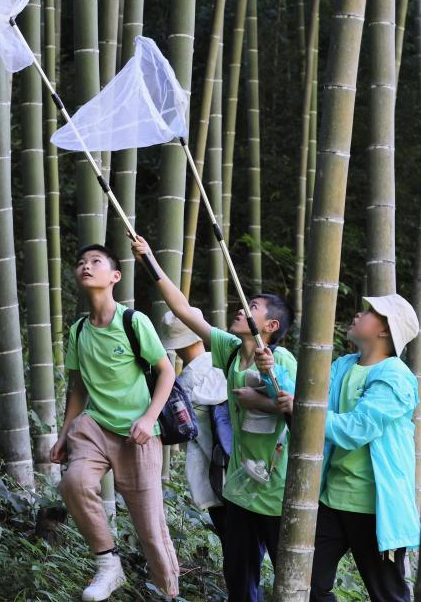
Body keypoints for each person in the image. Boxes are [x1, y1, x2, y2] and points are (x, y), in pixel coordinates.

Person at [132, 235, 296, 602]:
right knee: (239, 578)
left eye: (253, 307)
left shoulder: (282, 359)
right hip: (240, 487)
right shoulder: (230, 349)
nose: (241, 309)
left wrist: (264, 391)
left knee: (289, 581)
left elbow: (299, 409)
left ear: (270, 325)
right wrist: (149, 260)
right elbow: (183, 309)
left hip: (276, 488)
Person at [49, 244, 179, 601]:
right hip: (95, 428)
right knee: (74, 482)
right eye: (81, 262)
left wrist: (149, 418)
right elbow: (78, 389)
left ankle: (168, 593)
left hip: (138, 434)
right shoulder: (78, 331)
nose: (86, 266)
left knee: (150, 530)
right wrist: (63, 436)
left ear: (115, 276)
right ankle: (108, 564)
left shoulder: (133, 321)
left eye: (95, 262)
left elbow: (166, 372)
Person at [270, 294, 420, 602]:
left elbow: (356, 429)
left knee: (388, 595)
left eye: (369, 312)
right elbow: (307, 397)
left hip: (374, 508)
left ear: (385, 330)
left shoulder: (395, 376)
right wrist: (271, 371)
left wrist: (303, 410)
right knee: (307, 585)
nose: (358, 314)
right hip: (332, 498)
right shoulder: (344, 365)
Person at [159, 308, 229, 537]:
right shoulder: (228, 365)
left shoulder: (182, 384)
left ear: (176, 347)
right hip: (244, 467)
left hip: (213, 474)